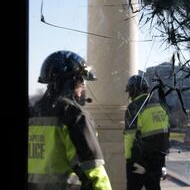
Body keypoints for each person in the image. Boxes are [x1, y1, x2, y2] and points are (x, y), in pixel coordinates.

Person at [28, 50, 112, 190]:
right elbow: (94, 171)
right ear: (72, 81)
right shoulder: (75, 115)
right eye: (81, 80)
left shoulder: (32, 112)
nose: (83, 86)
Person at [123, 75, 170, 190]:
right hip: (158, 158)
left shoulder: (134, 107)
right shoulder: (160, 105)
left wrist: (129, 160)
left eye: (130, 91)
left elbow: (129, 136)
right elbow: (166, 132)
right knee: (154, 187)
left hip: (139, 159)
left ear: (134, 90)